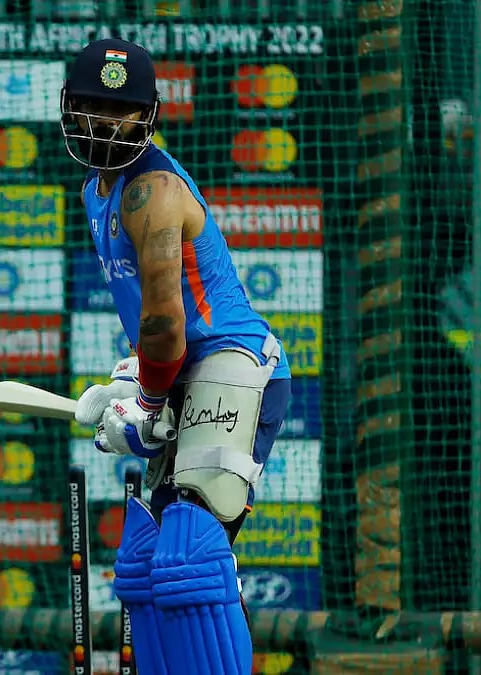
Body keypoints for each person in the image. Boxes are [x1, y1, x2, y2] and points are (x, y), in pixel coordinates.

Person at [63, 38, 292, 675]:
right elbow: (154, 326)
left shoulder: (154, 191)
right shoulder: (96, 192)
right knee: (149, 568)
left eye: (122, 111)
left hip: (234, 365)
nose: (103, 125)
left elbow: (168, 324)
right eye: (89, 106)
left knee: (191, 557)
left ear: (150, 115)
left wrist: (148, 404)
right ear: (67, 107)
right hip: (185, 368)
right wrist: (132, 377)